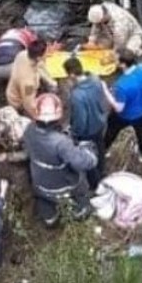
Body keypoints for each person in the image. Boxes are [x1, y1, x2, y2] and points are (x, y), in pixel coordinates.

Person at [23, 94, 98, 227]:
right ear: (57, 118)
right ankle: (80, 212)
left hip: (40, 183)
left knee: (44, 200)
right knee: (81, 189)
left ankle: (50, 220)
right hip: (62, 185)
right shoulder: (61, 143)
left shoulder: (29, 130)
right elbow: (82, 163)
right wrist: (89, 152)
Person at [64, 56, 118, 190]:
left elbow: (81, 120)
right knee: (99, 147)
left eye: (68, 76)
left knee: (88, 157)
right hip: (100, 122)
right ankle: (102, 169)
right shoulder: (95, 79)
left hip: (87, 132)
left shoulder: (77, 96)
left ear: (71, 74)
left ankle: (95, 184)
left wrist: (75, 132)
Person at [102, 50, 142, 163]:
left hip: (124, 115)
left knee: (111, 131)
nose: (114, 61)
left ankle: (105, 150)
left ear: (123, 64)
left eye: (116, 60)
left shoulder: (122, 85)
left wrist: (105, 90)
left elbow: (119, 108)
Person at [0, 27, 39, 107]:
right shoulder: (29, 36)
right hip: (10, 65)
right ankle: (25, 101)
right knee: (27, 79)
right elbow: (33, 52)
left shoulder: (8, 34)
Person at [6, 39, 56, 116]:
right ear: (39, 58)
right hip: (18, 102)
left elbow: (40, 66)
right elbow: (28, 104)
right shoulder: (28, 83)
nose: (47, 54)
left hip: (13, 89)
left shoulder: (23, 54)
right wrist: (38, 116)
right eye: (46, 53)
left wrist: (50, 81)